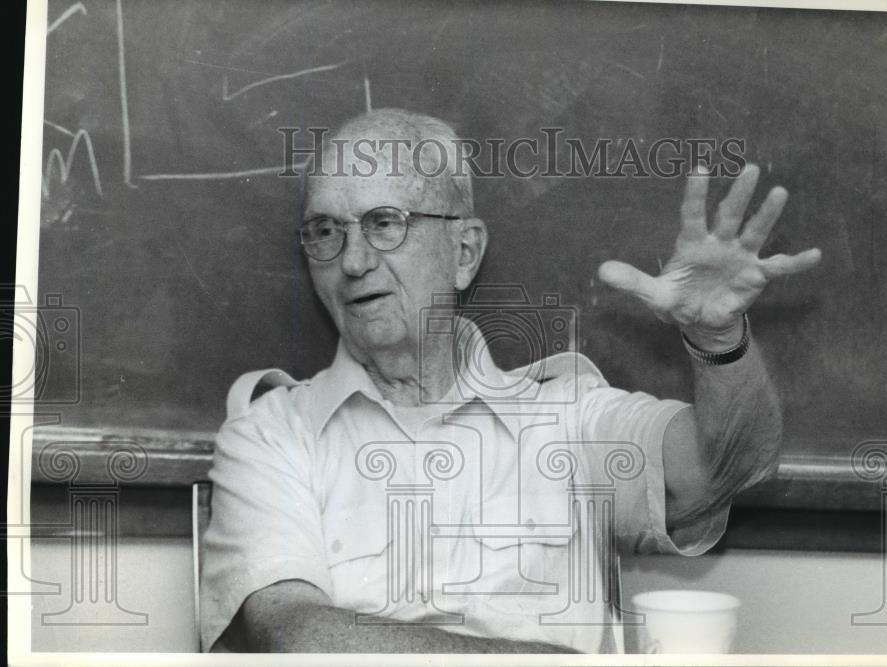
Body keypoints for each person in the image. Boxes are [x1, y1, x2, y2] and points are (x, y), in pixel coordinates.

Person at [199, 108, 821, 653]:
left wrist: (717, 340)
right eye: (326, 232)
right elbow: (293, 635)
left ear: (464, 252)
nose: (354, 262)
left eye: (385, 223)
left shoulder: (570, 417)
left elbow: (729, 468)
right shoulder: (271, 434)